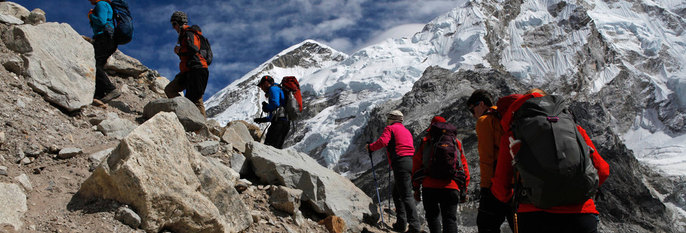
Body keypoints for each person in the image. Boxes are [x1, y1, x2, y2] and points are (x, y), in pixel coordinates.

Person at [490, 91, 610, 233]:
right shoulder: (574, 129)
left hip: (534, 217)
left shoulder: (512, 135)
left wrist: (527, 193)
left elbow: (500, 189)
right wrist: (578, 190)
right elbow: (602, 170)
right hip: (581, 215)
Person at [465, 90, 514, 233]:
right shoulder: (506, 117)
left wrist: (485, 187)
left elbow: (487, 158)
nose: (473, 114)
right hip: (517, 181)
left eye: (472, 109)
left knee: (486, 225)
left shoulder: (485, 121)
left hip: (497, 183)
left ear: (481, 104)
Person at [412, 116, 470, 233]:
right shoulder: (456, 142)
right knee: (450, 220)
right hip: (451, 186)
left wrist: (416, 188)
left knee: (433, 218)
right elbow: (464, 167)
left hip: (429, 186)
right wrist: (464, 190)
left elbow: (416, 165)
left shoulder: (426, 141)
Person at [366, 110, 420, 233]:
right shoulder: (406, 131)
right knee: (397, 194)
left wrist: (371, 147)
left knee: (406, 195)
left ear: (391, 119)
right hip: (410, 162)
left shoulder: (390, 128)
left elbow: (383, 142)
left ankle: (414, 227)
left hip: (400, 163)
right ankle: (401, 224)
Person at [165, 11, 210, 117]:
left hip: (196, 70)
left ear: (177, 23)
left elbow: (193, 49)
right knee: (170, 89)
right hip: (189, 70)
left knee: (196, 100)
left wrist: (179, 50)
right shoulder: (186, 34)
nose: (173, 28)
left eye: (173, 25)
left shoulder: (189, 33)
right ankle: (185, 112)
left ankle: (201, 129)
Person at [88, 0, 121, 103]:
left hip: (104, 38)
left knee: (95, 64)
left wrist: (91, 16)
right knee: (99, 65)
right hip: (109, 39)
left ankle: (111, 89)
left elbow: (101, 21)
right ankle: (99, 96)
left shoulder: (101, 4)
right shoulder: (106, 5)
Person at [253, 75, 290, 149]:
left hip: (279, 124)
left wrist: (266, 107)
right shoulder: (279, 89)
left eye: (261, 86)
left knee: (269, 146)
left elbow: (275, 104)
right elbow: (275, 113)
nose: (262, 88)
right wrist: (262, 119)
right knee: (277, 148)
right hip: (285, 123)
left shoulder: (273, 89)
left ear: (266, 83)